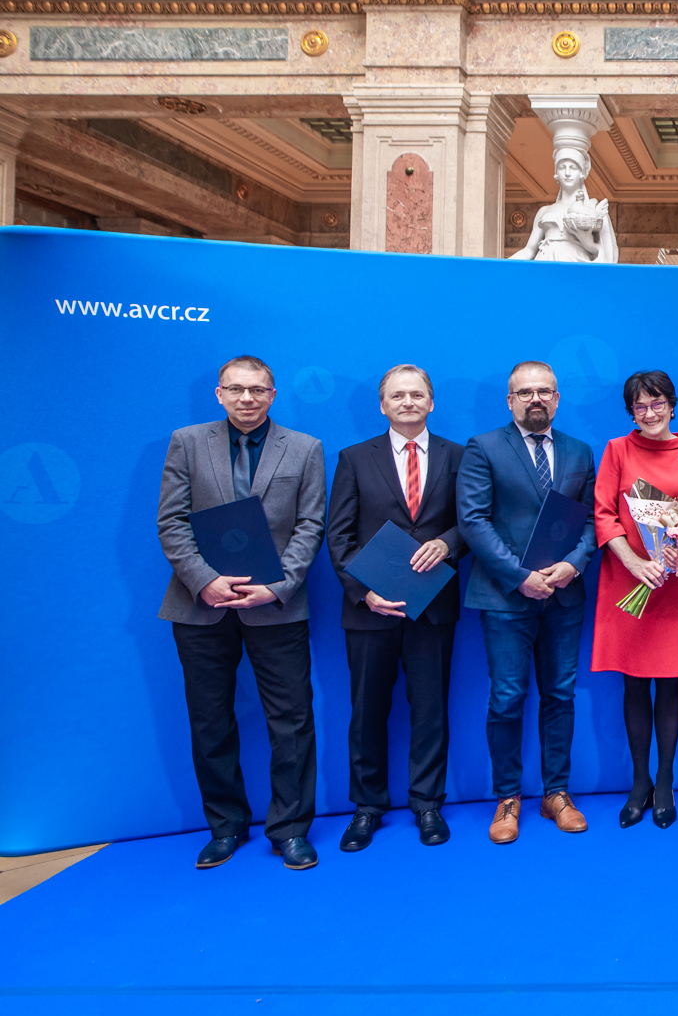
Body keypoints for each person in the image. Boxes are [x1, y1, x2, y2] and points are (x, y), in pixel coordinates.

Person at [157, 356, 326, 871]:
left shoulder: (305, 448)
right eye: (237, 389)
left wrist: (276, 587)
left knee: (291, 721)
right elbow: (171, 522)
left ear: (273, 394)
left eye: (257, 390)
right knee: (210, 722)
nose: (247, 398)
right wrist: (205, 581)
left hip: (276, 606)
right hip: (200, 607)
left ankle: (290, 830)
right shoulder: (186, 442)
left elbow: (311, 525)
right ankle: (225, 827)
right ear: (219, 393)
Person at [325, 364, 466, 852]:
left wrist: (447, 544)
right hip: (370, 609)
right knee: (367, 711)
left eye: (417, 394)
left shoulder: (458, 455)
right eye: (397, 396)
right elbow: (338, 536)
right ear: (383, 405)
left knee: (430, 709)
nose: (408, 402)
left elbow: (471, 522)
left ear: (431, 402)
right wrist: (363, 592)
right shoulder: (353, 458)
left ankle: (428, 804)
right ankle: (367, 808)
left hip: (433, 606)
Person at [457, 361, 598, 844]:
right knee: (507, 698)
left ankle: (556, 793)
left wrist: (573, 565)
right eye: (525, 393)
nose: (535, 400)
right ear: (510, 400)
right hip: (505, 596)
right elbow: (473, 521)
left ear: (557, 398)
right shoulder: (484, 447)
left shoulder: (580, 451)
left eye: (544, 392)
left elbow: (591, 521)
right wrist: (521, 578)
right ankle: (508, 797)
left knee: (560, 694)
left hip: (564, 593)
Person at [590, 371, 678, 830]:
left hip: (677, 584)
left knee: (671, 680)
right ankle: (638, 781)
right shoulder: (616, 450)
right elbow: (603, 515)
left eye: (657, 403)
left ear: (672, 405)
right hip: (630, 581)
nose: (649, 413)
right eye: (639, 406)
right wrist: (634, 564)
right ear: (631, 413)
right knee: (635, 682)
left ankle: (664, 782)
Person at [507, 147, 618, 264]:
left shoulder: (591, 207)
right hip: (546, 263)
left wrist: (587, 243)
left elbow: (607, 252)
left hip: (575, 264)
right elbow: (528, 251)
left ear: (582, 173)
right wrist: (499, 267)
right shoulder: (544, 211)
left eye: (573, 167)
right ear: (556, 174)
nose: (567, 173)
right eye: (562, 167)